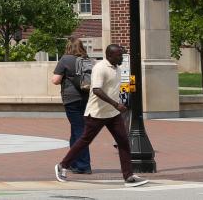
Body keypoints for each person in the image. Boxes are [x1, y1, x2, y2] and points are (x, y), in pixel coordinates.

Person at [55, 44, 149, 188]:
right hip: (97, 113)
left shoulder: (116, 68)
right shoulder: (100, 68)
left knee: (123, 142)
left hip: (112, 113)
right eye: (119, 55)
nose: (121, 58)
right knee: (84, 141)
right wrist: (116, 104)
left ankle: (128, 176)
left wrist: (118, 105)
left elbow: (112, 89)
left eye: (122, 55)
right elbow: (97, 89)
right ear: (110, 56)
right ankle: (62, 166)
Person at [50, 37, 92, 174]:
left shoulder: (65, 59)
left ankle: (83, 165)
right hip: (86, 97)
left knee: (79, 132)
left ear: (68, 46)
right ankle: (74, 162)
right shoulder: (87, 59)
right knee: (76, 131)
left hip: (71, 99)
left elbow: (55, 80)